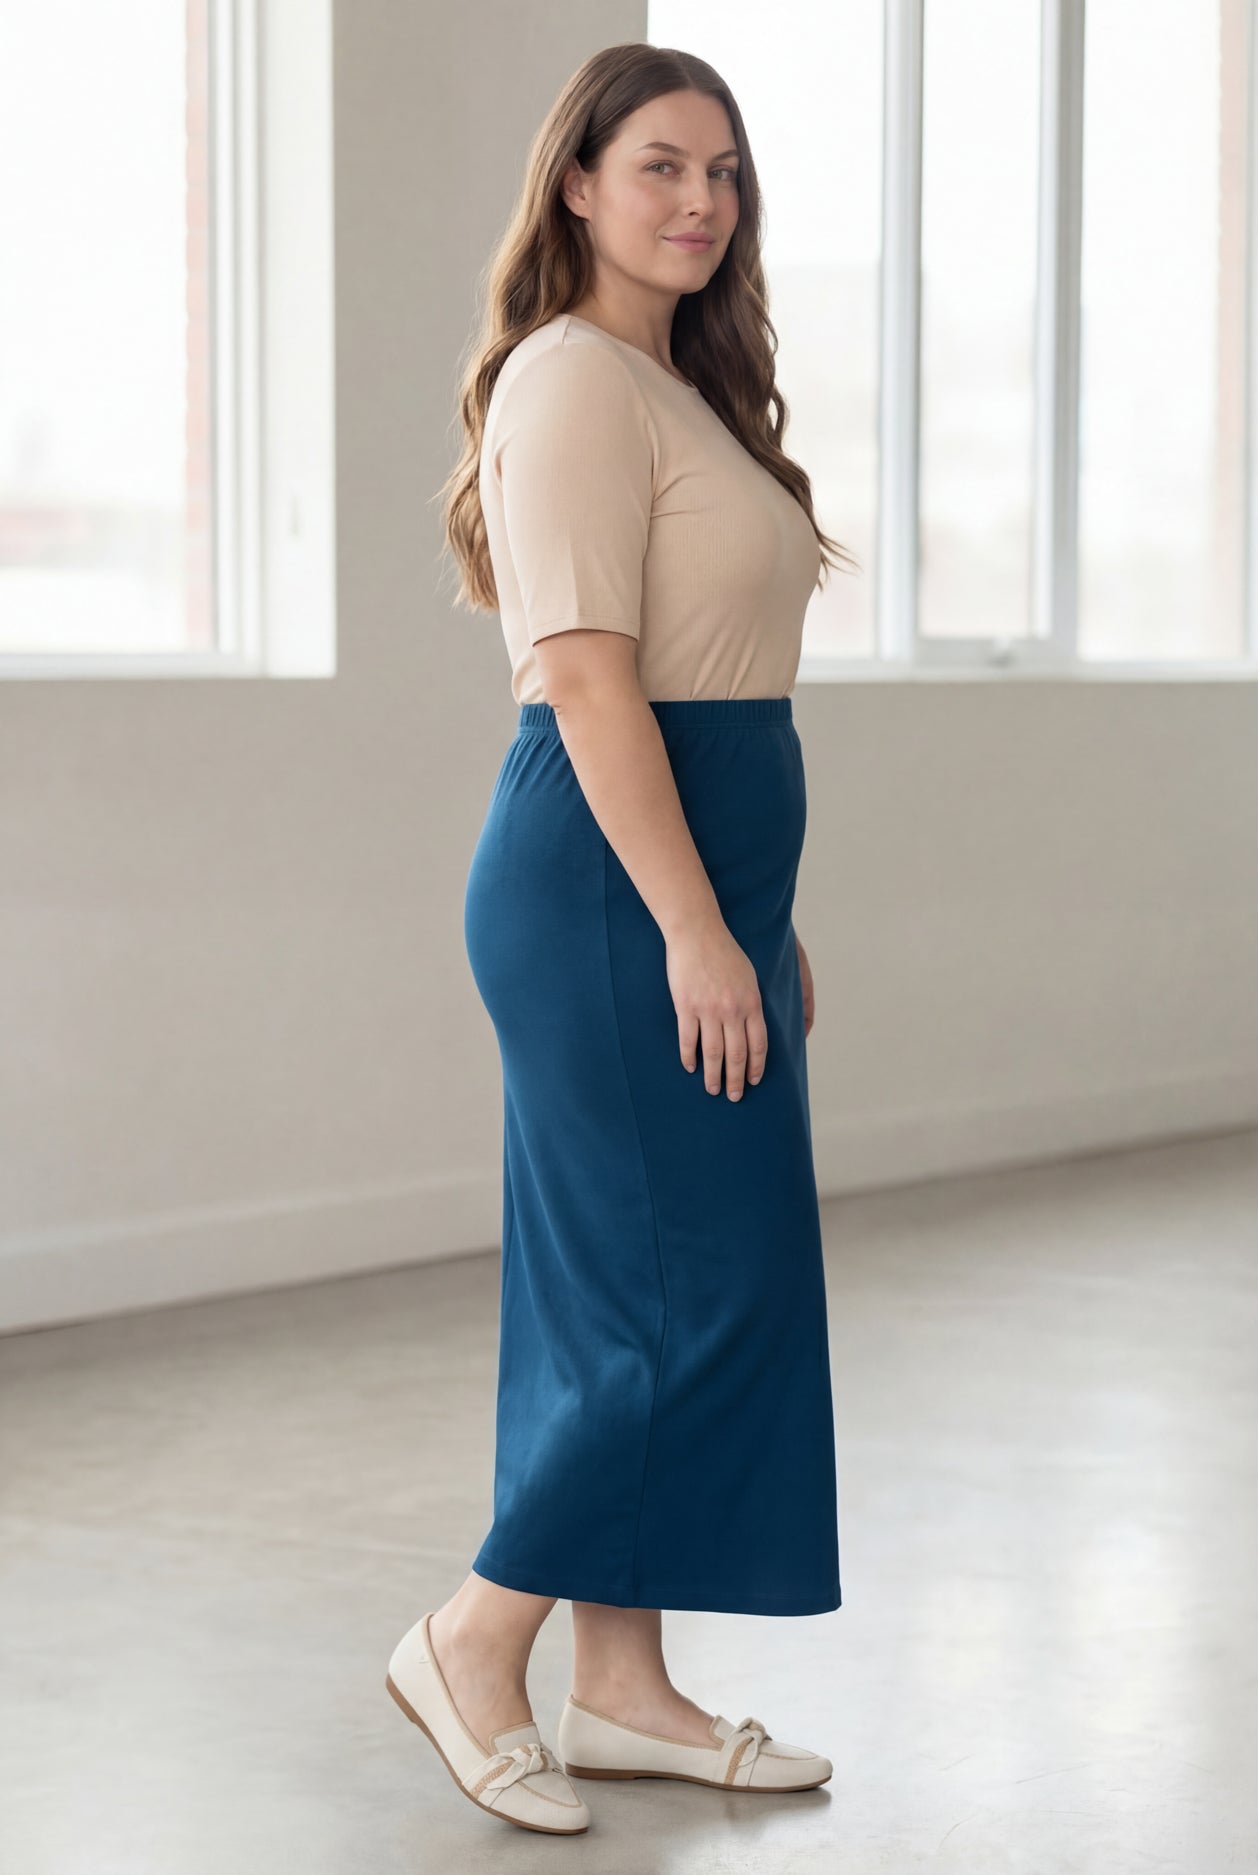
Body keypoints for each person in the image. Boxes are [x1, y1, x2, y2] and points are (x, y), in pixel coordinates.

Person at [385, 43, 861, 1835]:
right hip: (604, 881)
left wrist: (756, 918)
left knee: (630, 1294)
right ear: (574, 184)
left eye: (724, 173)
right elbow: (586, 682)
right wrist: (687, 922)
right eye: (660, 164)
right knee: (693, 1294)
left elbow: (712, 679)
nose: (697, 201)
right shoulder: (570, 382)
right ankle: (471, 1640)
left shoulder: (678, 390)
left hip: (683, 876)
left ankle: (622, 1689)